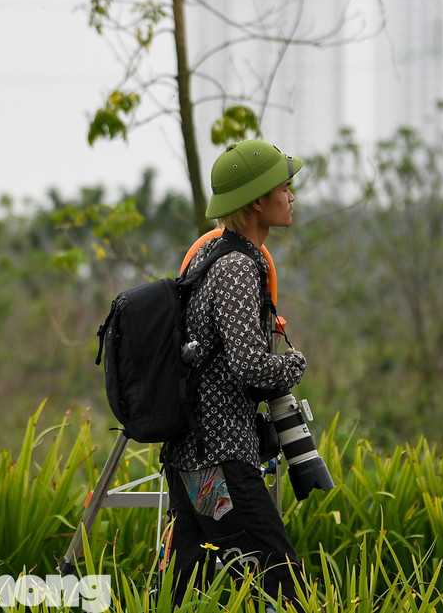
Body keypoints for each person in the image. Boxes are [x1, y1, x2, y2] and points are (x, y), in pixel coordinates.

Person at [161, 140, 308, 608]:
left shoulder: (209, 259)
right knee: (285, 584)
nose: (291, 197)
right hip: (222, 460)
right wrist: (294, 363)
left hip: (191, 459)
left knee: (181, 594)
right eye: (284, 188)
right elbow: (250, 366)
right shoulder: (239, 267)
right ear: (258, 202)